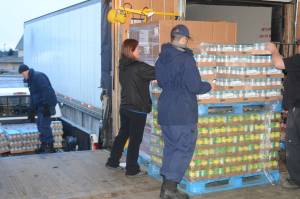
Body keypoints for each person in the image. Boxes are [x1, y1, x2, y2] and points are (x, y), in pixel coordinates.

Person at [155, 25, 212, 199]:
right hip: (182, 111)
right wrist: (209, 85)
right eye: (187, 39)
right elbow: (194, 86)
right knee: (184, 147)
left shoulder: (162, 57)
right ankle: (171, 189)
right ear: (183, 39)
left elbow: (162, 83)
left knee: (171, 148)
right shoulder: (186, 59)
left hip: (166, 109)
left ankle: (166, 187)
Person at [106, 39, 155, 177]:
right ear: (131, 50)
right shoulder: (139, 67)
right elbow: (157, 72)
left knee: (123, 135)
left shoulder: (122, 65)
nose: (140, 50)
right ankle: (132, 169)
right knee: (135, 139)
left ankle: (113, 161)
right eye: (138, 48)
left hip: (126, 107)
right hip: (138, 109)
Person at [267, 42, 300, 189]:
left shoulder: (298, 59)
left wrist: (274, 50)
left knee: (293, 143)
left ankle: (297, 179)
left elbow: (279, 63)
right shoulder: (295, 62)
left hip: (298, 109)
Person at [18, 64, 57, 153]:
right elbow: (33, 97)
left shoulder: (38, 77)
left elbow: (47, 91)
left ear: (26, 71)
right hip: (40, 106)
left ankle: (49, 147)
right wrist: (31, 111)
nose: (22, 76)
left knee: (44, 126)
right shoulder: (30, 81)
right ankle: (44, 145)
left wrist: (47, 106)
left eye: (22, 73)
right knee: (40, 126)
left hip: (47, 105)